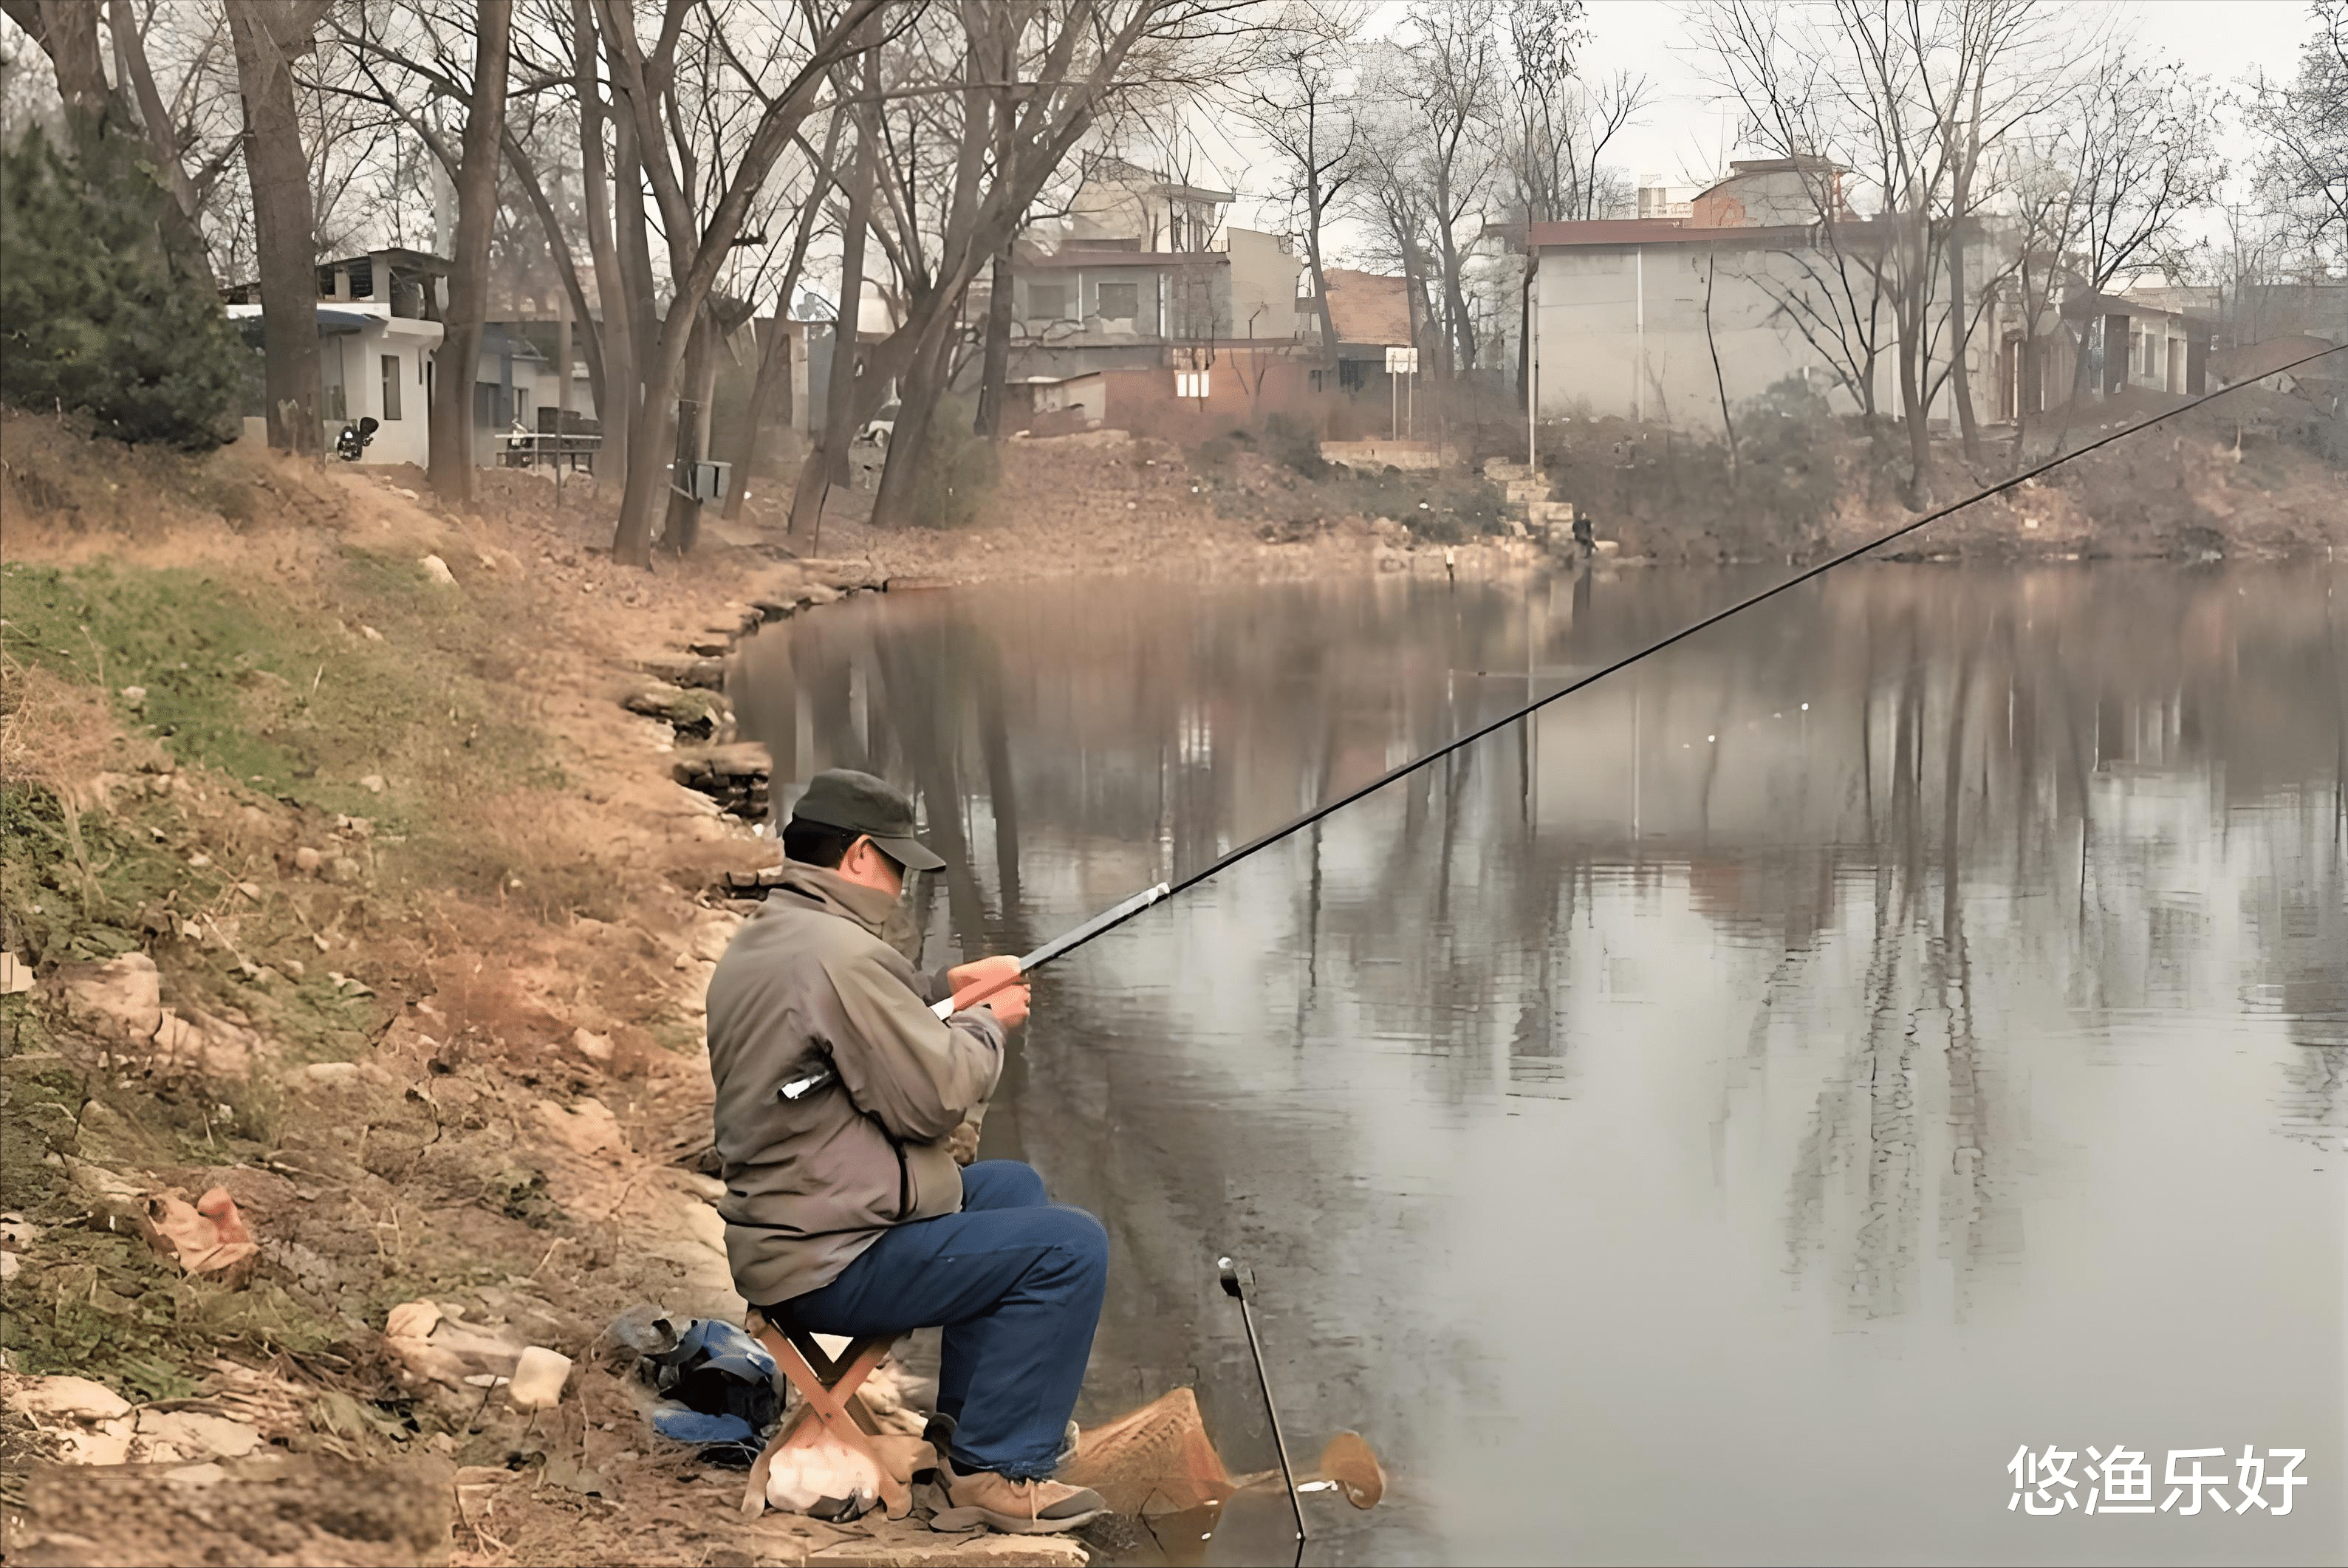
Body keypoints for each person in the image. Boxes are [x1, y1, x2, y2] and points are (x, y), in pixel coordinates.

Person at [704, 767, 1111, 1535]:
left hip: (797, 1230)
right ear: (859, 855)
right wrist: (984, 1021)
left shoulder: (779, 936)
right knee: (1070, 1247)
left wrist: (936, 990)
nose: (897, 884)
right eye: (895, 863)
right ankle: (1000, 1469)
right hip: (827, 1258)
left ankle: (962, 1437)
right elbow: (931, 1096)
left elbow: (840, 1044)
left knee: (1010, 1186)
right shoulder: (837, 953)